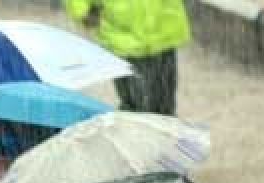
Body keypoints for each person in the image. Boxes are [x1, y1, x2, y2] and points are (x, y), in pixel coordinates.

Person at [63, 0, 191, 116]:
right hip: (123, 37)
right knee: (137, 107)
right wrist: (82, 10)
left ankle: (164, 138)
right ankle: (138, 138)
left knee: (165, 105)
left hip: (164, 28)